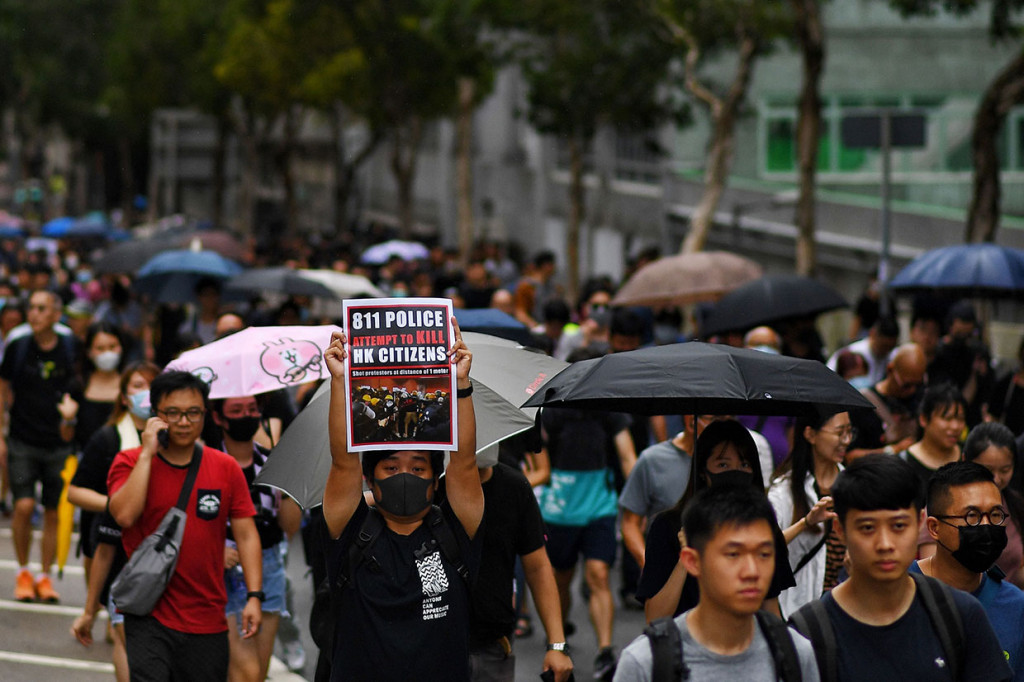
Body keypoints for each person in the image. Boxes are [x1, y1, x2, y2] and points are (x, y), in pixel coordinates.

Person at [320, 323, 483, 681]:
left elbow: (466, 462)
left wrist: (460, 385)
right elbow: (343, 461)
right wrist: (339, 382)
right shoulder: (352, 530)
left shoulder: (455, 532)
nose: (404, 475)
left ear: (436, 479)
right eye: (391, 466)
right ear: (370, 478)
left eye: (418, 466)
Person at [789, 454, 1011, 682]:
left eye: (898, 526)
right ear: (839, 530)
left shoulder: (959, 616)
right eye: (867, 527)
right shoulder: (808, 634)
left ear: (920, 523)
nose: (885, 544)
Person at [108, 370, 263, 682]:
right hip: (148, 612)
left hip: (207, 618)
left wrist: (254, 596)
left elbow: (246, 535)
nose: (183, 422)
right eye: (173, 413)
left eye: (193, 413)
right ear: (156, 415)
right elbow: (124, 515)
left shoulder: (225, 467)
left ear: (205, 414)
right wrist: (148, 454)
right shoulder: (129, 461)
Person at [613, 485, 819, 682]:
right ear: (692, 561)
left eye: (764, 554)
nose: (752, 571)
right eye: (733, 554)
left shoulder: (797, 654)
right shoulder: (645, 662)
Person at [437, 444, 574, 682]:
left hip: (493, 643)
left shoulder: (513, 487)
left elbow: (538, 567)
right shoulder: (428, 486)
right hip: (433, 643)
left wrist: (557, 644)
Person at [637, 420, 795, 623]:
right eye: (723, 465)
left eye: (744, 464)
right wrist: (684, 561)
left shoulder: (763, 526)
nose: (735, 472)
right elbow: (655, 617)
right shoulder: (669, 526)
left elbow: (770, 607)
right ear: (703, 472)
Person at [540, 347, 636, 680]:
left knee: (598, 574)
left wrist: (636, 501)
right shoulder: (553, 410)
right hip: (561, 508)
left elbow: (627, 456)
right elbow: (538, 453)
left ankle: (606, 651)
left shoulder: (609, 411)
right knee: (561, 579)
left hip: (599, 504)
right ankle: (559, 638)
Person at [68, 360, 161, 682]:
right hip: (118, 549)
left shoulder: (175, 438)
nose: (145, 393)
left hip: (161, 553)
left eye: (152, 384)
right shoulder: (108, 439)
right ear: (123, 397)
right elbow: (75, 492)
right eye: (137, 386)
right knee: (125, 636)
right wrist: (118, 504)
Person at [211, 394, 302, 682]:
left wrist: (288, 483)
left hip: (268, 566)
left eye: (252, 409)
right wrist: (215, 549)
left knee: (257, 673)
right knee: (243, 671)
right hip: (220, 570)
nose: (246, 416)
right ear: (218, 418)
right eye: (236, 410)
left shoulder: (271, 462)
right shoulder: (208, 463)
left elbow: (289, 527)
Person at [0, 289, 79, 602]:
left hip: (58, 442)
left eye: (41, 308)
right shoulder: (19, 346)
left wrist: (71, 420)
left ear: (56, 315)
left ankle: (44, 577)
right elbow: (3, 386)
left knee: (52, 513)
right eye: (31, 307)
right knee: (23, 505)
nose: (33, 313)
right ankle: (23, 571)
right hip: (22, 439)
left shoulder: (70, 347)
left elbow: (78, 386)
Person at [912, 461, 1024, 680]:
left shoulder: (1016, 607)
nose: (986, 527)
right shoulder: (900, 594)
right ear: (934, 528)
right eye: (971, 517)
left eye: (994, 515)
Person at [768, 411, 852, 618]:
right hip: (796, 607)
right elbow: (766, 545)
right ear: (810, 434)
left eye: (850, 432)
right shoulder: (784, 491)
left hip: (842, 605)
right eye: (839, 433)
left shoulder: (853, 486)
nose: (846, 441)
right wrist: (806, 523)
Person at [964, 423, 1024, 588]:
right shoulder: (947, 507)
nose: (996, 479)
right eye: (988, 470)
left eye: (1005, 470)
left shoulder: (1016, 507)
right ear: (965, 461)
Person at [846, 343, 926, 460]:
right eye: (906, 385)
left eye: (918, 385)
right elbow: (850, 457)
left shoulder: (920, 399)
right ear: (890, 370)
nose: (912, 390)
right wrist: (893, 450)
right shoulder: (864, 404)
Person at [827, 316, 900, 385]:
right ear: (872, 334)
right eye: (883, 346)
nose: (886, 351)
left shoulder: (894, 355)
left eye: (890, 347)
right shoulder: (851, 353)